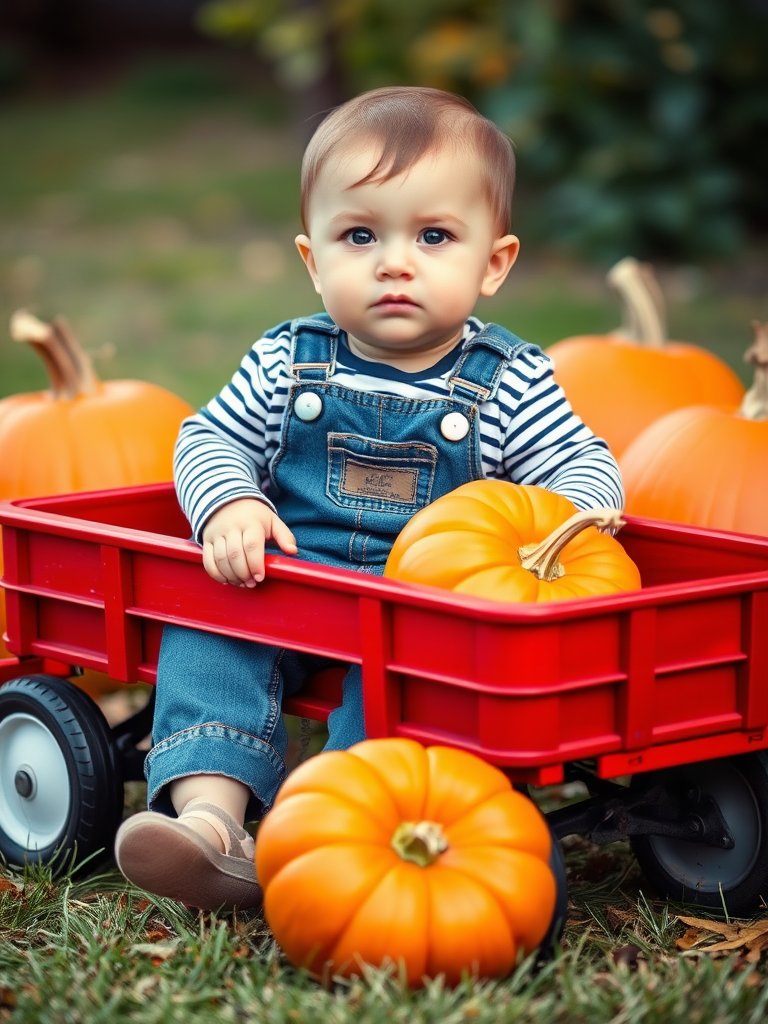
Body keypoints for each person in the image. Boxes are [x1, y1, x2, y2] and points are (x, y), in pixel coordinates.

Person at [115, 85, 624, 910]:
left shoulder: (510, 381)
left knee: (403, 707)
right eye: (359, 235)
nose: (394, 261)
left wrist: (558, 528)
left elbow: (583, 466)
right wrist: (229, 505)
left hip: (424, 613)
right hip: (287, 583)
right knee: (210, 633)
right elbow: (205, 438)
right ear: (314, 259)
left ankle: (341, 835)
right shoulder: (288, 361)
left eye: (433, 236)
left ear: (493, 262)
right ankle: (213, 824)